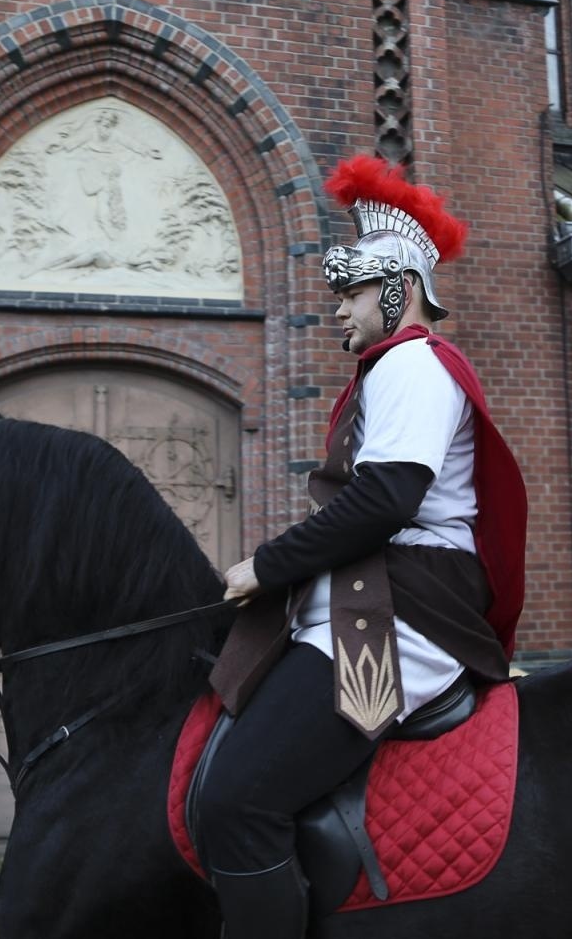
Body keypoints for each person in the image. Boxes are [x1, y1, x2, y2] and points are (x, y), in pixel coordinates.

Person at [195, 155, 528, 939]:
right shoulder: (388, 371)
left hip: (400, 611)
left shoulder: (412, 365)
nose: (337, 311)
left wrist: (269, 565)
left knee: (236, 800)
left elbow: (383, 502)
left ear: (397, 289)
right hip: (369, 597)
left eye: (349, 292)